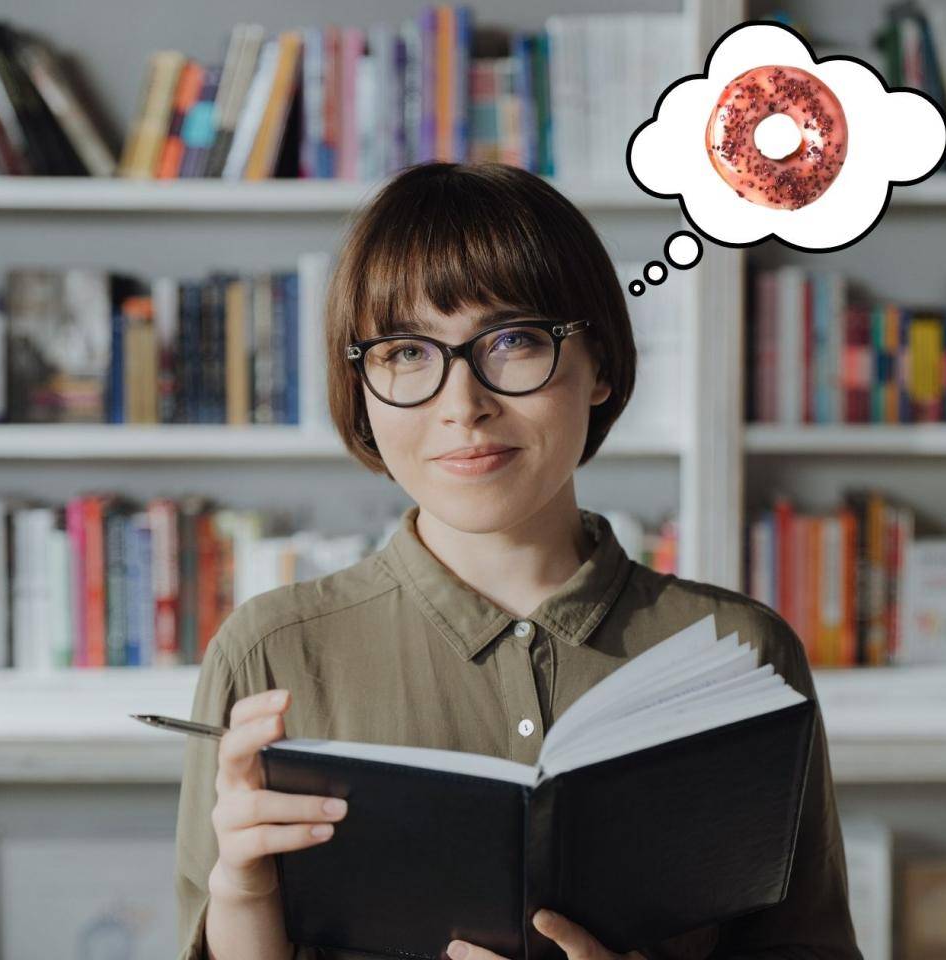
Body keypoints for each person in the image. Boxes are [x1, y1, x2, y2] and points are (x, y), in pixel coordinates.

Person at [174, 162, 863, 960]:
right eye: (404, 352)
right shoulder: (268, 654)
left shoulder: (742, 651)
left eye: (513, 341)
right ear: (359, 384)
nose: (463, 405)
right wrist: (242, 894)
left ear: (599, 364)